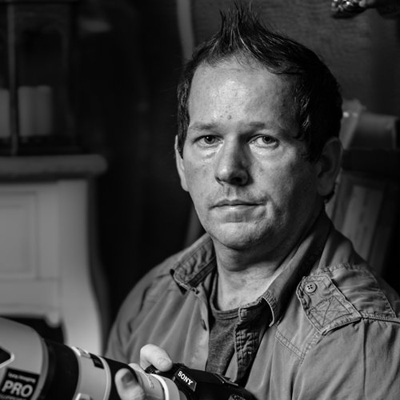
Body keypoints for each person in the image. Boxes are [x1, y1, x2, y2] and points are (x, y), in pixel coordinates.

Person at [107, 5, 400, 399]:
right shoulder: (152, 297)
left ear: (325, 166)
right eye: (208, 139)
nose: (229, 169)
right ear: (180, 163)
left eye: (264, 139)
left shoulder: (356, 342)